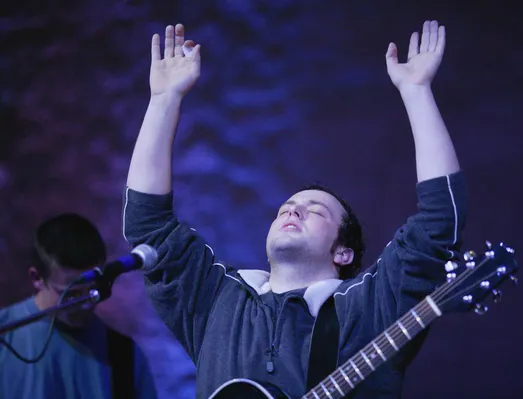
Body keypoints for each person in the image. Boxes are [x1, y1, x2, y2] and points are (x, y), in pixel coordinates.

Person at [123, 20, 467, 399]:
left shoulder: (368, 306)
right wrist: (164, 100)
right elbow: (148, 226)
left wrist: (417, 92)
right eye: (286, 207)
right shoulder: (219, 301)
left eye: (315, 210)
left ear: (343, 251)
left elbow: (439, 222)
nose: (293, 212)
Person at [0, 213, 158, 399]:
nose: (85, 305)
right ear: (37, 278)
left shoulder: (124, 354)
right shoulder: (4, 335)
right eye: (71, 293)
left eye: (92, 290)